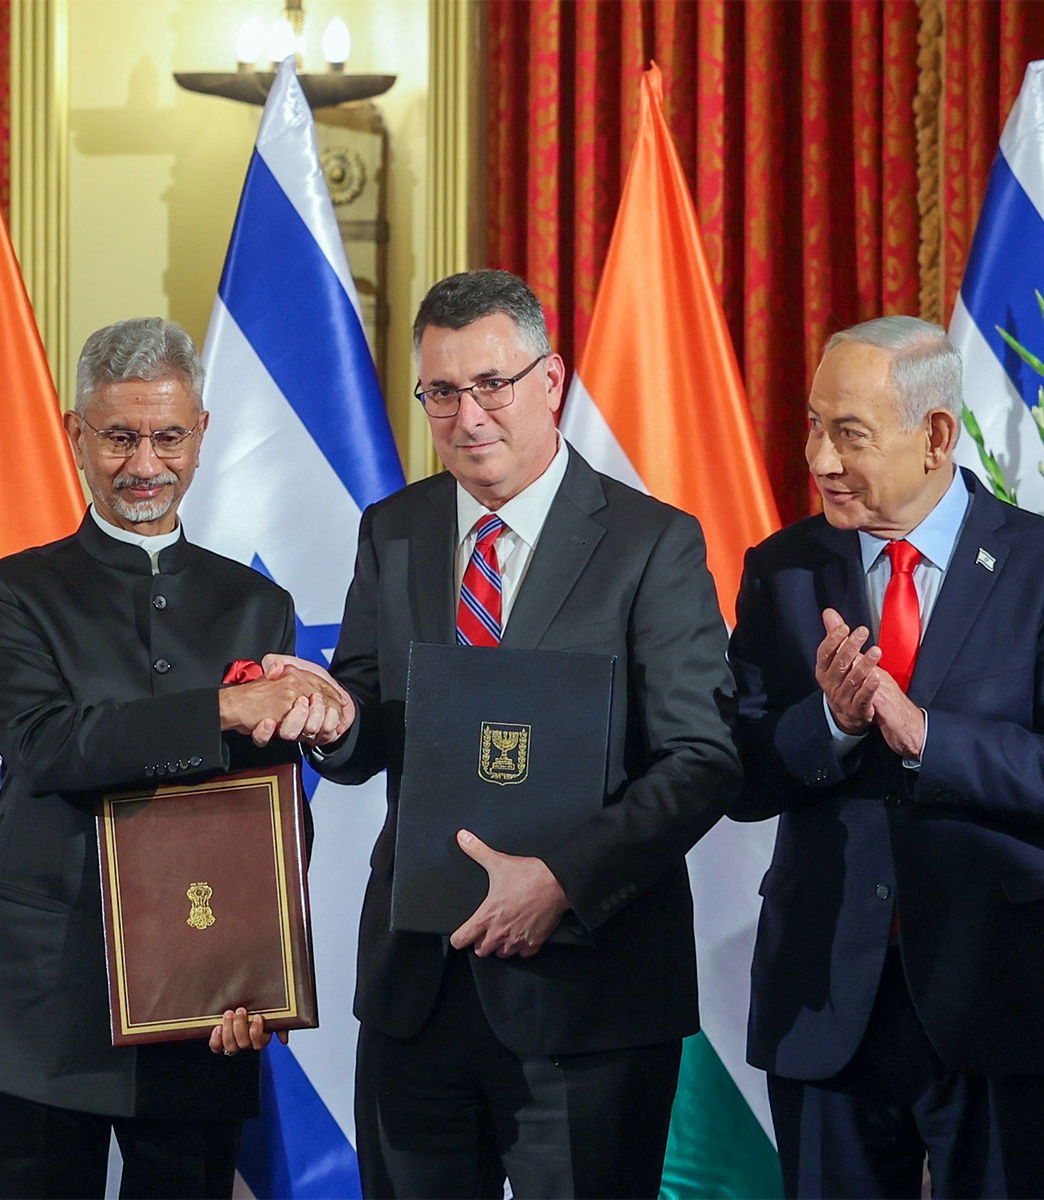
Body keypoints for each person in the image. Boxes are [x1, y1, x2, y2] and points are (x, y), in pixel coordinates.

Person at [276, 269, 739, 1197]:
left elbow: (703, 760)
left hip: (588, 1002)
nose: (468, 414)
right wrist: (328, 718)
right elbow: (370, 726)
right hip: (420, 992)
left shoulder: (652, 542)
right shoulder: (394, 530)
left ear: (552, 378)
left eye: (493, 383)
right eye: (441, 392)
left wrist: (562, 880)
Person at [0, 317, 350, 1200]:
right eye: (118, 437)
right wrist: (224, 705)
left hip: (205, 1001)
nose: (143, 464)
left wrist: (260, 977)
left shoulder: (256, 601)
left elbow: (274, 809)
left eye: (167, 436)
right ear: (75, 434)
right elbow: (46, 746)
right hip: (40, 1005)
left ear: (201, 435)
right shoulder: (10, 589)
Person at [728, 316, 1044, 1198]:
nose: (820, 460)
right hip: (828, 1000)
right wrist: (832, 724)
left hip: (1002, 1001)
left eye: (849, 434)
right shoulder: (784, 569)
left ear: (937, 436)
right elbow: (741, 774)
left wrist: (930, 737)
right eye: (813, 425)